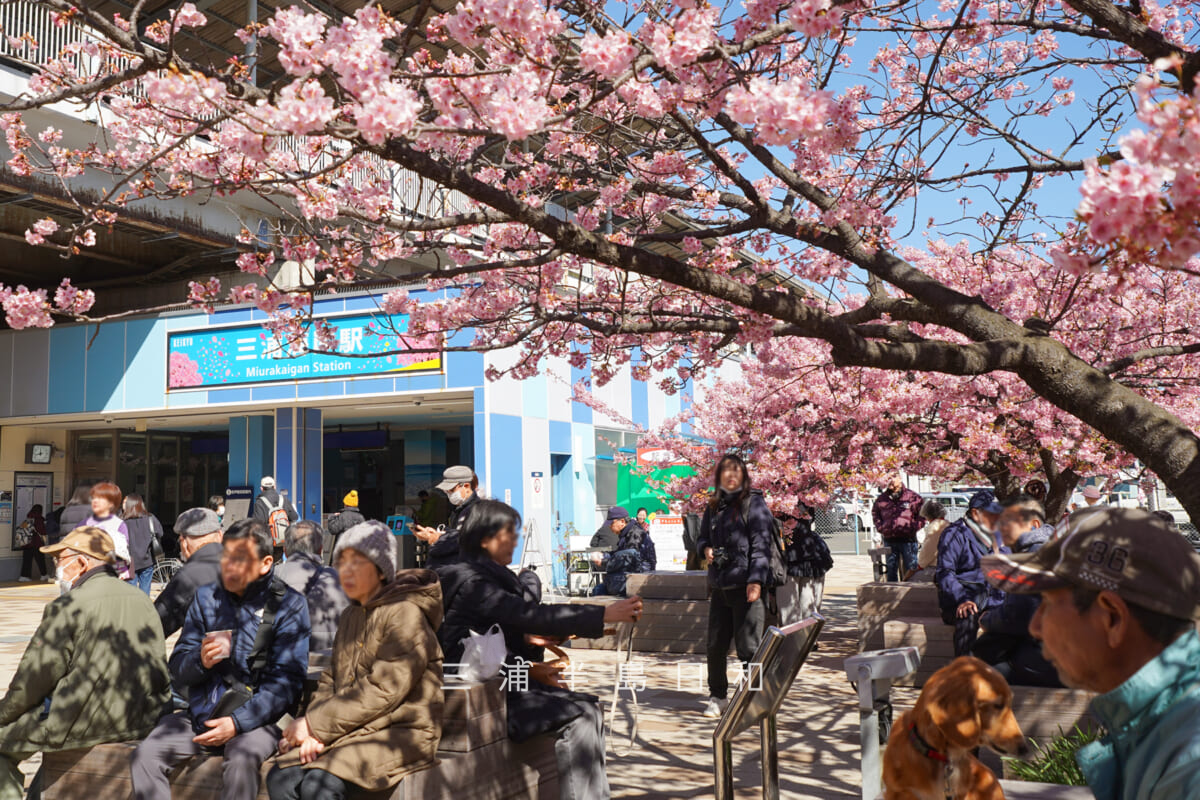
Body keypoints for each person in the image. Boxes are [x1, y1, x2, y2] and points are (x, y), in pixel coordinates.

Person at [982, 507, 1200, 800]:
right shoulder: (1160, 727)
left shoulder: (1187, 763)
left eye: (1047, 602)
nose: (1035, 627)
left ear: (1112, 618)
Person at [438, 500, 642, 800]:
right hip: (480, 694)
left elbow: (506, 628)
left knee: (589, 708)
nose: (516, 539)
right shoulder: (474, 583)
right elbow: (529, 615)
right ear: (485, 538)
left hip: (498, 680)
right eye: (508, 532)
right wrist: (605, 614)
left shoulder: (484, 576)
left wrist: (531, 658)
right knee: (582, 716)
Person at [132, 518, 311, 800]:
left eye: (239, 559)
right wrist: (200, 661)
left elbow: (286, 684)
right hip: (204, 713)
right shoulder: (208, 597)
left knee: (241, 757)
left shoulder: (288, 604)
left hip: (260, 719)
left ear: (265, 564)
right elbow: (177, 667)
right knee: (146, 753)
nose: (228, 566)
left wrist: (237, 723)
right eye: (225, 556)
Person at [268, 521, 443, 800]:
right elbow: (330, 678)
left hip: (401, 729)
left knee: (319, 785)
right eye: (341, 563)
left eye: (356, 563)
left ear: (381, 570)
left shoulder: (405, 613)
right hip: (354, 727)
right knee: (281, 777)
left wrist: (315, 726)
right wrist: (315, 729)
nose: (345, 572)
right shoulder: (352, 613)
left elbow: (382, 690)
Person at [0, 527, 170, 800]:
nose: (57, 568)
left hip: (86, 721)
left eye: (59, 560)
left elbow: (33, 679)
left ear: (81, 562)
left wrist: (4, 714)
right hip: (142, 716)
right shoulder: (143, 599)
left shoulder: (69, 606)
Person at [695, 453, 773, 719]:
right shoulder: (713, 506)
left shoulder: (754, 504)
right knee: (715, 646)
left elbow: (762, 546)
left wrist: (756, 580)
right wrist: (705, 548)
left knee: (749, 647)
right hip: (719, 586)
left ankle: (754, 698)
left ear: (744, 476)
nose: (730, 475)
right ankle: (718, 696)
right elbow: (701, 537)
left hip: (746, 587)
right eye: (725, 471)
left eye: (736, 471)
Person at [972, 495, 1060, 687]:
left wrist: (986, 619)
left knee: (977, 676)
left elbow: (1018, 615)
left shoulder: (1033, 556)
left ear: (1034, 525)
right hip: (1060, 653)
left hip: (1047, 659)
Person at [935, 488, 1005, 657]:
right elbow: (944, 572)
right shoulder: (954, 534)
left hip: (991, 598)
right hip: (960, 599)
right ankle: (963, 670)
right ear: (975, 513)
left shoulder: (998, 536)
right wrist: (962, 599)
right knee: (967, 616)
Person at [275, 520, 349, 652]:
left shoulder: (271, 576)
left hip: (283, 658)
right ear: (320, 550)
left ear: (285, 551)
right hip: (329, 656)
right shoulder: (340, 579)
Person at [155, 508, 226, 638]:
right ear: (220, 536)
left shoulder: (187, 577)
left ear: (184, 543)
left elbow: (155, 625)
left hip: (205, 654)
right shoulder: (245, 565)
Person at [778, 501, 833, 624]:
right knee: (806, 604)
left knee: (795, 607)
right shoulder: (804, 498)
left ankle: (799, 640)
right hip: (804, 556)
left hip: (796, 559)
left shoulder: (802, 499)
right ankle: (806, 639)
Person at [414, 465, 479, 569]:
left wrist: (438, 538)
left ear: (466, 486)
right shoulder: (458, 509)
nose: (447, 493)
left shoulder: (477, 510)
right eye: (446, 491)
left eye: (451, 490)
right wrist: (436, 533)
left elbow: (466, 541)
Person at [871, 475, 924, 581]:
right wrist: (881, 528)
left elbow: (922, 515)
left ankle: (911, 595)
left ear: (900, 478)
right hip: (889, 540)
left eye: (893, 478)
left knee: (911, 569)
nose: (890, 481)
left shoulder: (912, 497)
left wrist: (913, 528)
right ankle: (893, 595)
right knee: (891, 570)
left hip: (908, 540)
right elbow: (875, 514)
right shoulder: (882, 499)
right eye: (887, 479)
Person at [83, 482, 133, 579]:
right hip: (88, 573)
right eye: (94, 498)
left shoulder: (119, 524)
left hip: (110, 575)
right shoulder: (84, 523)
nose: (95, 501)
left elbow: (122, 551)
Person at [123, 494, 165, 595]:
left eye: (124, 503)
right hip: (147, 560)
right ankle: (144, 609)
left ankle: (133, 610)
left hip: (130, 562)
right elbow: (160, 533)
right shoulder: (150, 518)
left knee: (131, 593)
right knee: (145, 591)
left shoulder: (123, 521)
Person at [253, 476, 298, 560]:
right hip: (282, 540)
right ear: (274, 487)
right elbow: (294, 517)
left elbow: (258, 523)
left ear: (261, 488)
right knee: (278, 563)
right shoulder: (284, 499)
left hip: (268, 542)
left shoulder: (259, 502)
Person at [908, 499, 948, 581]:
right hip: (948, 565)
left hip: (936, 567)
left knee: (911, 581)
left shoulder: (935, 527)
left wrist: (920, 565)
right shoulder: (947, 524)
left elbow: (928, 550)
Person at [16, 504, 48, 582]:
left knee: (26, 561)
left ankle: (24, 576)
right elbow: (42, 531)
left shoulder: (27, 519)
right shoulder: (39, 519)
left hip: (26, 543)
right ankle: (44, 575)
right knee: (40, 560)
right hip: (37, 544)